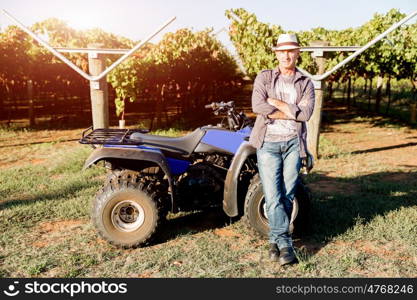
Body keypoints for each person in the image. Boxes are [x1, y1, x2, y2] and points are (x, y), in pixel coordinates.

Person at [249, 33, 315, 266]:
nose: (286, 55)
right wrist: (291, 110)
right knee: (272, 195)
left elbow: (306, 114)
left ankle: (275, 241)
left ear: (298, 53)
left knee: (286, 194)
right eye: (282, 50)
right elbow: (258, 105)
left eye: (291, 50)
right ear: (276, 53)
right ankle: (285, 243)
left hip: (293, 144)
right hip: (268, 143)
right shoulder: (265, 77)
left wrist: (275, 103)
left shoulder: (305, 82)